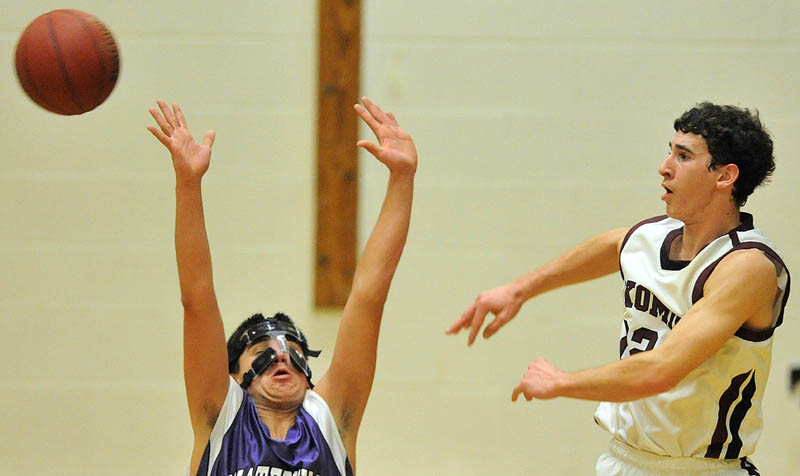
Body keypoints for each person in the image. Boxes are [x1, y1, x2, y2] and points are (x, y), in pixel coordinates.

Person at [446, 102, 789, 476]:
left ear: (725, 176)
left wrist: (561, 383)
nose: (664, 166)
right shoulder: (650, 236)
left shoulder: (747, 266)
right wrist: (519, 290)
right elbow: (612, 246)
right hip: (622, 460)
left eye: (683, 156)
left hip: (700, 469)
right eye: (669, 151)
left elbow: (661, 370)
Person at [147, 97, 417, 476]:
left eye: (293, 349)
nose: (281, 355)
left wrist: (402, 179)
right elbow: (197, 297)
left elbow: (369, 295)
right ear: (235, 375)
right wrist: (188, 184)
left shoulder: (330, 417)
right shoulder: (220, 417)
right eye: (261, 349)